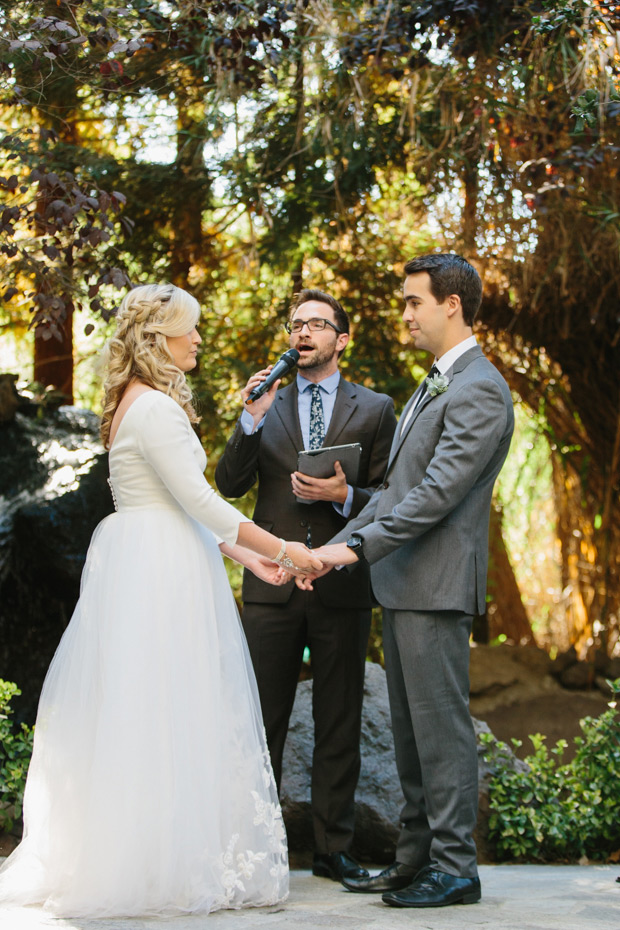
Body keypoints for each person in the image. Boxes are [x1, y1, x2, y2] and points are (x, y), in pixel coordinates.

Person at [0, 284, 323, 919]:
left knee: (150, 709)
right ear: (158, 339)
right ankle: (163, 863)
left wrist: (248, 556)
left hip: (148, 554)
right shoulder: (156, 410)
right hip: (162, 569)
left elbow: (181, 505)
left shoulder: (132, 404)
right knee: (171, 704)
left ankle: (154, 852)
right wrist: (284, 548)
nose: (199, 338)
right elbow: (202, 502)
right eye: (190, 328)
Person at [307, 254, 514, 908]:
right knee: (409, 734)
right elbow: (392, 491)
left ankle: (456, 869)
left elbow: (433, 496)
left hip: (436, 588)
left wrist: (351, 554)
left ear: (452, 304)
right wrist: (324, 552)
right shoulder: (434, 385)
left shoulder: (480, 387)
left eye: (413, 302)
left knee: (441, 732)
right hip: (401, 586)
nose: (404, 314)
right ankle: (415, 858)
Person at [215, 289, 397, 882]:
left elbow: (392, 498)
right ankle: (254, 846)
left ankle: (332, 848)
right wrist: (250, 417)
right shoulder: (266, 403)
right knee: (260, 717)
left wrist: (342, 496)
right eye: (296, 324)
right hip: (272, 585)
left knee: (339, 719)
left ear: (341, 340)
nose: (304, 332)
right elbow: (231, 483)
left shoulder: (374, 408)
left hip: (341, 582)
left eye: (318, 324)